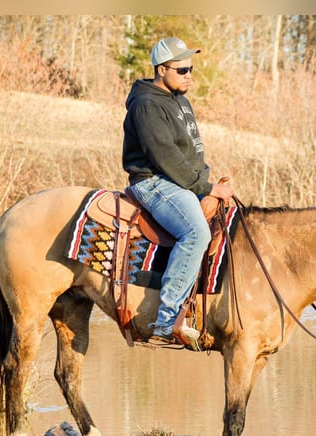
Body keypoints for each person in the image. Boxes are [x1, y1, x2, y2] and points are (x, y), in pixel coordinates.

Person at [122, 37, 234, 349]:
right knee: (196, 233)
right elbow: (165, 157)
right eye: (182, 68)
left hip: (179, 181)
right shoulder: (147, 104)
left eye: (191, 68)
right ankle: (167, 319)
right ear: (161, 70)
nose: (188, 74)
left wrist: (207, 181)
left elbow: (191, 153)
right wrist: (207, 188)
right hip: (154, 181)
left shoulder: (179, 99)